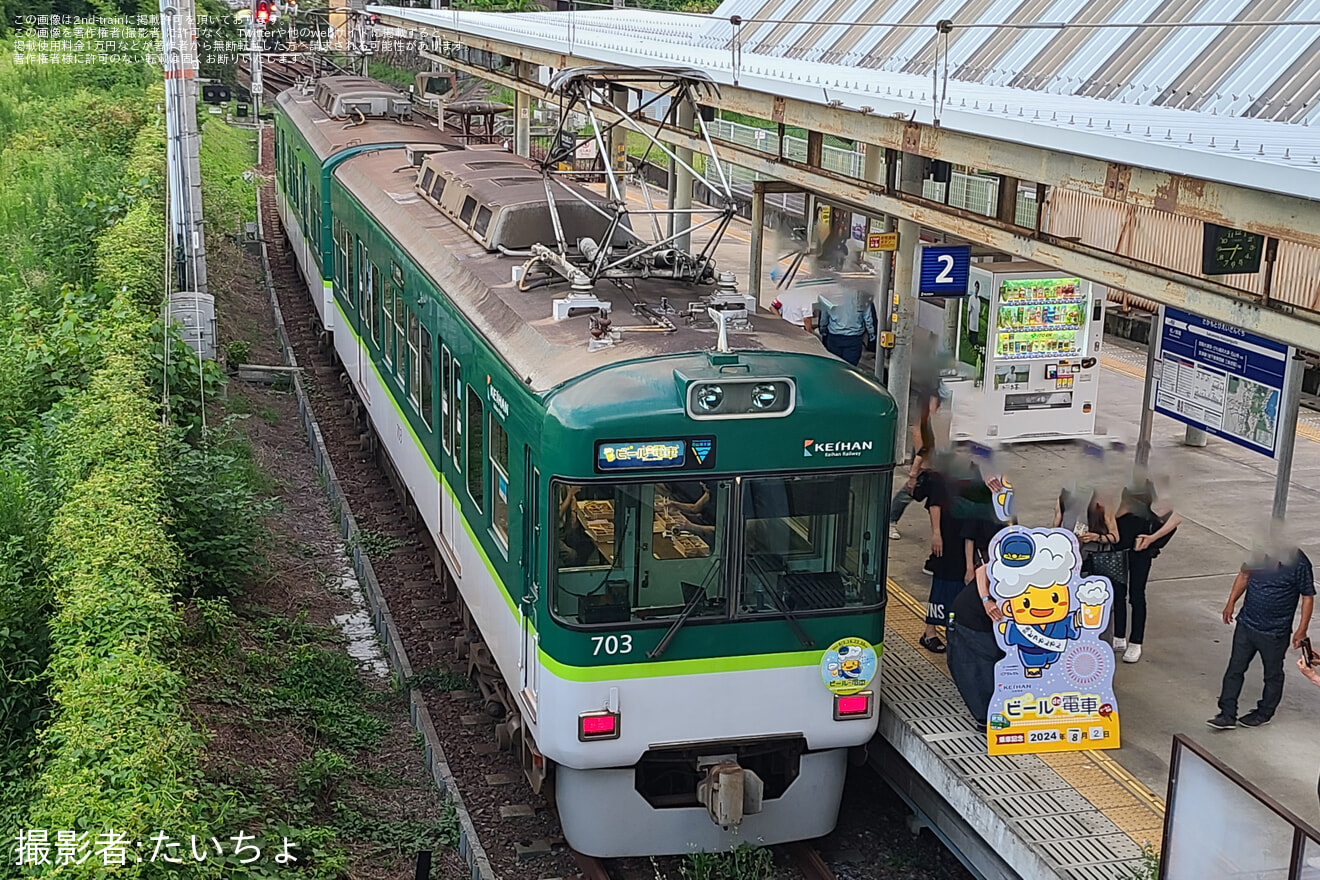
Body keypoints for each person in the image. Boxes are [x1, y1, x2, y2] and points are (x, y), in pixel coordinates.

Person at [1207, 547, 1314, 730]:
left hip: (1275, 632)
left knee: (1272, 674)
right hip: (1246, 624)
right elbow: (1244, 575)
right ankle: (1227, 714)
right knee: (1235, 668)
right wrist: (1230, 602)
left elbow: (1307, 597)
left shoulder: (1299, 562)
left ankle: (1264, 713)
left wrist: (1301, 630)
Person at [1113, 479, 1181, 663]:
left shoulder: (1156, 487)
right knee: (1118, 592)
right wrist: (1121, 510)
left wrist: (1152, 538)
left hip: (1141, 549)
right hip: (1119, 546)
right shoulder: (1126, 485)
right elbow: (1114, 513)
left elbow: (1177, 516)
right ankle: (1119, 635)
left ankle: (1136, 642)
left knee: (1136, 594)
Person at [947, 539, 1005, 723]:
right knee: (978, 669)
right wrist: (986, 599)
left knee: (995, 662)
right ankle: (986, 717)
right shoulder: (1026, 562)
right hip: (970, 618)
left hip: (994, 623)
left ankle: (992, 714)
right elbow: (983, 569)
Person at [816, 288, 876, 367]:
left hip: (834, 337)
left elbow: (824, 318)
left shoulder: (829, 294)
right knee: (850, 369)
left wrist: (823, 331)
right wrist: (872, 335)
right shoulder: (862, 294)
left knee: (835, 367)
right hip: (854, 338)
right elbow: (868, 318)